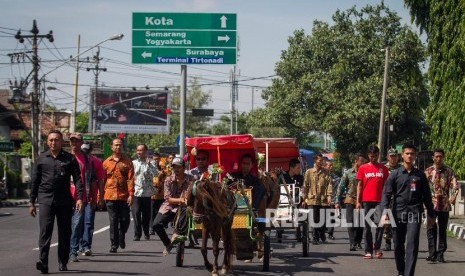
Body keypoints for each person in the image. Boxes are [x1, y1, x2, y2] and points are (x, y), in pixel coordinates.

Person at [29, 130, 83, 273]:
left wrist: (79, 198)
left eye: (56, 140)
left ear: (61, 142)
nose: (53, 142)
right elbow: (35, 181)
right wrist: (31, 202)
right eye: (51, 140)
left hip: (64, 201)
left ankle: (63, 262)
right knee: (45, 232)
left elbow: (78, 179)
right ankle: (43, 262)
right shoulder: (41, 159)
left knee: (65, 232)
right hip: (45, 200)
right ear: (47, 142)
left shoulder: (69, 159)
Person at [381, 143, 435, 276]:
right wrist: (384, 212)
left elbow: (427, 197)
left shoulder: (420, 175)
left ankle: (408, 273)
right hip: (397, 213)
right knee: (398, 244)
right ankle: (401, 269)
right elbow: (386, 194)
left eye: (412, 154)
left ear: (415, 156)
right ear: (402, 155)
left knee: (412, 243)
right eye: (407, 153)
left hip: (414, 213)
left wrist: (431, 215)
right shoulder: (395, 175)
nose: (410, 156)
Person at [68, 133, 105, 262]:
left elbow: (98, 180)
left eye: (77, 141)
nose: (74, 143)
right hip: (66, 197)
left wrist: (99, 197)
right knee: (69, 225)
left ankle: (76, 250)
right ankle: (70, 249)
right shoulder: (66, 157)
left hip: (84, 197)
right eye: (72, 141)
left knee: (82, 223)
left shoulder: (90, 161)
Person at [424, 149, 460, 263]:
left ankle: (441, 253)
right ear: (433, 158)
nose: (438, 159)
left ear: (443, 157)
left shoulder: (449, 171)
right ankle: (432, 253)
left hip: (444, 205)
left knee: (442, 230)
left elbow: (455, 186)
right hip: (431, 205)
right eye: (436, 156)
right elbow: (423, 187)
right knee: (431, 229)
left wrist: (453, 197)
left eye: (440, 156)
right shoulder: (428, 171)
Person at [153, 157, 193, 256]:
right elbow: (168, 198)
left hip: (184, 207)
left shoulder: (191, 179)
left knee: (185, 211)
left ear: (184, 168)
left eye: (179, 167)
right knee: (156, 225)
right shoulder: (168, 180)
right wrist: (180, 200)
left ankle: (177, 233)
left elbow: (190, 196)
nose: (176, 169)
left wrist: (185, 201)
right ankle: (168, 244)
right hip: (169, 206)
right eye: (174, 167)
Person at [356, 144, 388, 259]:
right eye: (370, 156)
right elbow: (359, 185)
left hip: (380, 201)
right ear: (368, 155)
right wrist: (358, 202)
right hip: (366, 200)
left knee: (381, 223)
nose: (372, 158)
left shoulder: (383, 169)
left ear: (378, 155)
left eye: (374, 156)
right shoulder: (363, 168)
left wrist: (387, 201)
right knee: (367, 226)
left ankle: (377, 247)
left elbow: (386, 186)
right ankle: (368, 250)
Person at [102, 138, 134, 253]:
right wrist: (100, 195)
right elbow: (102, 179)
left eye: (120, 145)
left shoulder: (127, 162)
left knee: (125, 219)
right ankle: (114, 244)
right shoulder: (106, 162)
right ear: (112, 147)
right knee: (113, 220)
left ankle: (122, 234)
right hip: (110, 195)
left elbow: (130, 179)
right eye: (116, 145)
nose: (118, 147)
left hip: (124, 195)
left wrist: (131, 194)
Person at [79, 142, 105, 256]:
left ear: (91, 151)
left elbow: (100, 181)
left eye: (87, 151)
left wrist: (100, 198)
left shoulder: (96, 162)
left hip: (90, 197)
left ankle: (86, 246)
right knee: (77, 223)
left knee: (88, 222)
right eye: (83, 150)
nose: (85, 153)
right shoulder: (75, 161)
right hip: (77, 198)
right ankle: (78, 245)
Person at [336, 153, 366, 251]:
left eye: (364, 161)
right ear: (356, 161)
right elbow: (341, 186)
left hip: (362, 200)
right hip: (350, 199)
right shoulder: (348, 173)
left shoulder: (366, 172)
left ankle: (358, 241)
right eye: (361, 161)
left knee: (360, 223)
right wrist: (337, 200)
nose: (363, 163)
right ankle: (352, 243)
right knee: (350, 222)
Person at [302, 153, 333, 245]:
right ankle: (314, 237)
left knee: (322, 219)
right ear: (315, 161)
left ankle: (322, 234)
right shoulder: (309, 172)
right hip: (312, 199)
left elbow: (329, 185)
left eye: (322, 160)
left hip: (323, 200)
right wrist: (304, 199)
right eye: (320, 160)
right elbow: (305, 186)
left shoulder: (326, 172)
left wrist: (329, 196)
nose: (321, 162)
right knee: (313, 219)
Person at [132, 144, 157, 241]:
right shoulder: (133, 163)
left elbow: (156, 174)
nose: (139, 152)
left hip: (147, 193)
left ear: (146, 152)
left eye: (141, 150)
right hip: (136, 192)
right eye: (137, 150)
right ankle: (137, 234)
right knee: (136, 213)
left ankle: (146, 231)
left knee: (146, 215)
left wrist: (149, 165)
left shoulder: (151, 162)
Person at [383, 147, 402, 251]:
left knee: (398, 221)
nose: (393, 158)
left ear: (398, 157)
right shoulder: (384, 168)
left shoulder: (401, 168)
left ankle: (398, 241)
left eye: (395, 156)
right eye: (391, 156)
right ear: (388, 157)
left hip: (399, 198)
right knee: (387, 222)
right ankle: (387, 241)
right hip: (388, 198)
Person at [150, 154, 172, 235]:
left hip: (162, 194)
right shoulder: (150, 168)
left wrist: (163, 171)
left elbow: (169, 175)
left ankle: (160, 225)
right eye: (154, 159)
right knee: (152, 212)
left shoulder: (164, 169)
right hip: (152, 194)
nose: (156, 161)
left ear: (159, 159)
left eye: (157, 159)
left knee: (161, 211)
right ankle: (151, 228)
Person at [325, 159, 340, 240]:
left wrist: (337, 202)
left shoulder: (336, 178)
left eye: (331, 165)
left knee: (332, 217)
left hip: (332, 199)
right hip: (323, 200)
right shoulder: (322, 176)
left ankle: (330, 233)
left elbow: (338, 190)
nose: (330, 167)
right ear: (325, 166)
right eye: (329, 165)